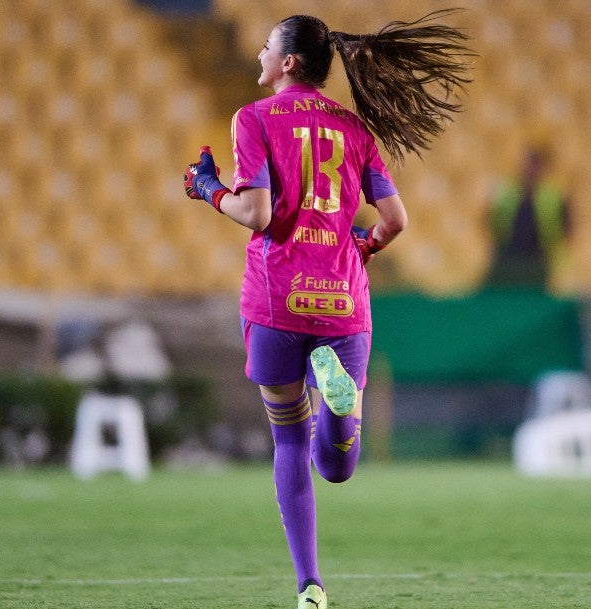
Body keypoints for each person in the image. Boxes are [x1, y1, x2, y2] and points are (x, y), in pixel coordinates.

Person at [182, 10, 472, 609]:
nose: (259, 54)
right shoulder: (354, 128)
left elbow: (257, 214)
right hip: (342, 302)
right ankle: (334, 390)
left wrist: (208, 189)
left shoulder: (253, 119)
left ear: (289, 61)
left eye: (267, 47)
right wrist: (361, 246)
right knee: (338, 467)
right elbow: (395, 222)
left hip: (276, 300)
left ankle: (309, 585)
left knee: (288, 440)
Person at [487, 146, 571, 289]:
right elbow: (491, 219)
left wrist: (553, 251)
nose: (529, 169)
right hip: (508, 257)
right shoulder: (507, 191)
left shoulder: (554, 196)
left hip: (538, 259)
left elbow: (567, 226)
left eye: (533, 165)